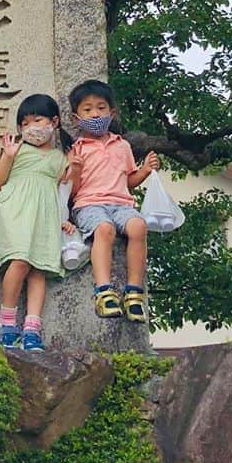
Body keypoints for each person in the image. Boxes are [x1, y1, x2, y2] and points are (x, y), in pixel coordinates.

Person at [67, 79, 159, 322]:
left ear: (112, 112)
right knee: (104, 230)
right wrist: (74, 170)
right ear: (76, 118)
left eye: (100, 107)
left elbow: (128, 181)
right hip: (88, 203)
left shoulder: (123, 146)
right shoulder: (77, 149)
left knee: (139, 226)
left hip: (121, 203)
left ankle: (134, 292)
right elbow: (73, 192)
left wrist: (145, 171)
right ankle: (104, 290)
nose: (95, 114)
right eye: (87, 110)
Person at [0, 93, 75, 351]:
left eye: (38, 120)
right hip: (15, 212)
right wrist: (7, 156)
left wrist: (64, 219)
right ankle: (6, 324)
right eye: (25, 123)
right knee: (20, 262)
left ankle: (32, 329)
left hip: (45, 216)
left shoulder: (61, 158)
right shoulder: (17, 150)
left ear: (54, 122)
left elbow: (67, 191)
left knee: (39, 269)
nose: (31, 128)